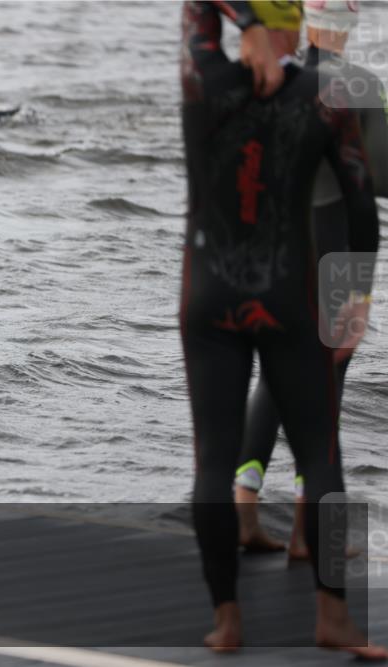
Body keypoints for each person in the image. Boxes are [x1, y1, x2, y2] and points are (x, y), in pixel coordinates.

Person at [179, 0, 384, 658]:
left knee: (212, 459)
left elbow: (197, 10)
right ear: (298, 24)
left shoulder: (203, 81)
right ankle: (331, 609)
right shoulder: (333, 94)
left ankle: (227, 620)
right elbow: (365, 199)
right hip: (295, 282)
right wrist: (358, 293)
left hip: (209, 291)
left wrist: (245, 28)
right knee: (321, 448)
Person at [235, 0, 388, 557]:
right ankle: (312, 532)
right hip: (336, 250)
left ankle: (242, 510)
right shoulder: (360, 85)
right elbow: (376, 184)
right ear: (349, 26)